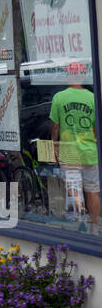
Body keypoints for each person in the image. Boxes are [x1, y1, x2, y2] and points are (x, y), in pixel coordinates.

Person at [51, 73, 100, 234]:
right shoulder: (93, 97)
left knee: (74, 187)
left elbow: (56, 127)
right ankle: (94, 228)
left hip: (69, 150)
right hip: (89, 151)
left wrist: (54, 146)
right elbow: (95, 128)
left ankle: (81, 210)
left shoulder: (59, 97)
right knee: (92, 190)